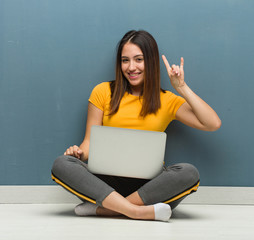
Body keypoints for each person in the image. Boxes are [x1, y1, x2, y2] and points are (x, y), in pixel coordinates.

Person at [51, 30, 221, 222]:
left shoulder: (167, 100)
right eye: (125, 60)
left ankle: (107, 209)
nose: (131, 67)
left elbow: (212, 123)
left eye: (138, 59)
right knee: (62, 164)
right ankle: (136, 212)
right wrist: (78, 154)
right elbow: (89, 143)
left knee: (189, 173)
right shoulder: (103, 92)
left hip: (149, 187)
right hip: (105, 183)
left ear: (151, 61)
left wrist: (181, 87)